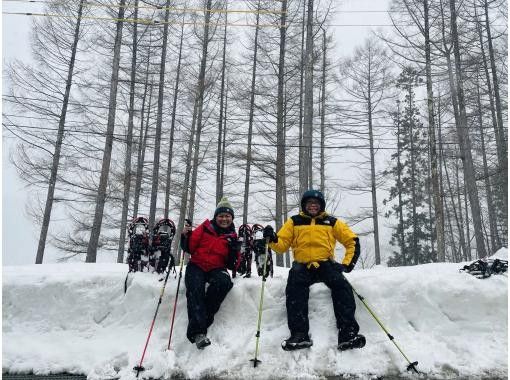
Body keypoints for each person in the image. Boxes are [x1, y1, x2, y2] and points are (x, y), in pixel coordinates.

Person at [263, 190, 365, 351]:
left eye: (316, 203)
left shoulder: (331, 222)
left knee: (342, 287)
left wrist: (346, 265)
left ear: (321, 206)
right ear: (304, 205)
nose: (313, 206)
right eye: (309, 203)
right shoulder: (294, 221)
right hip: (302, 265)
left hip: (325, 264)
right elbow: (281, 245)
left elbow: (352, 241)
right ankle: (299, 335)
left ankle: (348, 334)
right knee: (295, 290)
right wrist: (273, 238)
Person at [180, 197, 241, 349]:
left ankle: (201, 320)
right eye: (221, 216)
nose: (224, 219)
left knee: (224, 283)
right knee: (195, 288)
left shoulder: (233, 237)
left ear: (232, 218)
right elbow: (190, 247)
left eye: (227, 216)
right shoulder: (206, 227)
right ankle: (199, 333)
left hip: (217, 267)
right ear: (216, 217)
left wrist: (234, 250)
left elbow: (233, 265)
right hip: (197, 264)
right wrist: (185, 235)